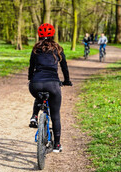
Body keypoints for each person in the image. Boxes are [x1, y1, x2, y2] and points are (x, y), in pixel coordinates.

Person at [28, 23, 72, 153]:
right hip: (52, 84)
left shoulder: (35, 49)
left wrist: (31, 78)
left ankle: (34, 116)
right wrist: (67, 81)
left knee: (39, 96)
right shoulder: (58, 49)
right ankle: (57, 145)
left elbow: (31, 66)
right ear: (53, 35)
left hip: (35, 84)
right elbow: (64, 67)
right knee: (55, 115)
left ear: (39, 35)